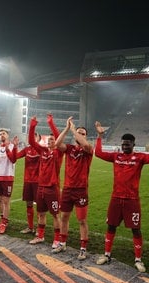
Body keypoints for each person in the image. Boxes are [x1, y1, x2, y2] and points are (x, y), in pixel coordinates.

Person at [94, 121, 149, 273]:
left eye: (128, 144)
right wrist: (100, 136)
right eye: (123, 144)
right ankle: (107, 255)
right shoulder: (115, 156)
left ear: (133, 144)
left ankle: (138, 259)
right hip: (116, 199)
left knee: (136, 230)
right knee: (111, 226)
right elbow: (98, 153)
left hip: (132, 200)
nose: (125, 147)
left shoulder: (140, 158)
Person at [52, 116, 93, 260]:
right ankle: (62, 243)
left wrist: (75, 129)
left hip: (81, 190)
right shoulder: (69, 149)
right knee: (64, 217)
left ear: (86, 137)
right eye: (79, 133)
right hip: (68, 189)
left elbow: (84, 143)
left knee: (82, 220)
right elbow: (57, 144)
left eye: (83, 134)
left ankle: (83, 248)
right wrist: (67, 129)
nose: (80, 135)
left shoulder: (88, 149)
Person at [27, 115, 63, 247]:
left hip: (52, 188)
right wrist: (32, 125)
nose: (50, 141)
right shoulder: (42, 151)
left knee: (55, 215)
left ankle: (57, 239)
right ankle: (40, 236)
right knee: (41, 213)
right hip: (41, 187)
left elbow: (58, 136)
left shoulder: (58, 153)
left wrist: (51, 123)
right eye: (49, 140)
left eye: (52, 140)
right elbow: (31, 141)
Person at [15, 129, 40, 235]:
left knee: (40, 207)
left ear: (38, 139)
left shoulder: (41, 150)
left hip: (38, 182)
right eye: (31, 136)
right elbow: (15, 157)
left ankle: (39, 229)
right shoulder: (26, 149)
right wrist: (15, 146)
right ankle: (30, 227)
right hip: (27, 181)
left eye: (35, 136)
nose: (32, 138)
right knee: (28, 204)